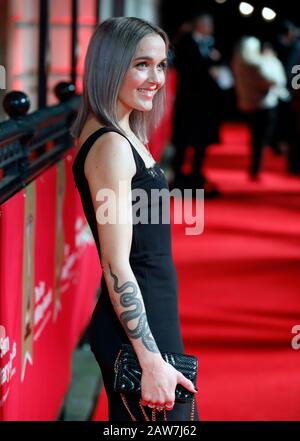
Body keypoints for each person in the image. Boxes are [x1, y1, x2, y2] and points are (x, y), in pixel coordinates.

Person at [71, 17, 199, 421]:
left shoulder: (123, 134)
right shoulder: (110, 145)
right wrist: (150, 359)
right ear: (110, 67)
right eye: (141, 64)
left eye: (160, 65)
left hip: (153, 315)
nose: (155, 78)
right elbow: (115, 263)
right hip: (140, 333)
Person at [171, 12, 223, 197]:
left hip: (204, 105)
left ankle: (195, 177)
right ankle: (178, 179)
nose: (210, 27)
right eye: (207, 23)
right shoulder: (186, 42)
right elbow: (189, 68)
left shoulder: (208, 43)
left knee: (201, 144)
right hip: (189, 103)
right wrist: (210, 63)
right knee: (183, 144)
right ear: (199, 24)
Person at [231, 36, 289, 179]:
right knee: (261, 138)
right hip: (264, 105)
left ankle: (256, 164)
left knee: (255, 137)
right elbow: (274, 81)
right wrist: (270, 61)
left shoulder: (237, 63)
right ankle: (257, 166)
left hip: (247, 105)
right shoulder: (255, 65)